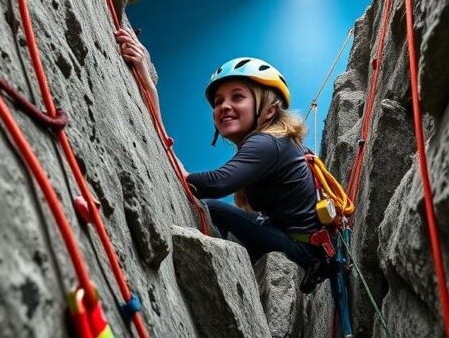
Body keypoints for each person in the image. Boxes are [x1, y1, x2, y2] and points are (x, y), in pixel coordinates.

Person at [114, 27, 327, 289]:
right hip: (305, 247)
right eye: (218, 101)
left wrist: (149, 87)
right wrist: (148, 88)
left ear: (270, 109)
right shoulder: (278, 142)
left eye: (237, 97)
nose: (223, 106)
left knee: (212, 208)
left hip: (302, 252)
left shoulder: (267, 142)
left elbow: (215, 184)